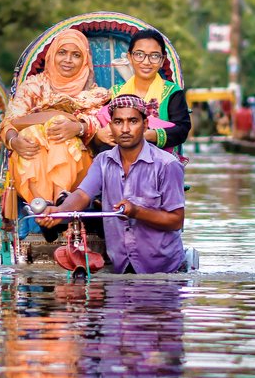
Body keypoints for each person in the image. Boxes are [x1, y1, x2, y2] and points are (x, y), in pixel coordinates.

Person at [37, 95, 187, 274]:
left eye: (133, 121)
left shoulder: (167, 165)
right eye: (118, 122)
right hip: (121, 266)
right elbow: (83, 194)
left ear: (145, 124)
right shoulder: (103, 161)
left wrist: (136, 211)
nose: (125, 129)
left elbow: (176, 220)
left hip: (163, 269)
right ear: (110, 126)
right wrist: (59, 212)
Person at [0, 29, 111, 203]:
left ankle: (60, 196)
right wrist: (14, 142)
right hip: (27, 159)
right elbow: (9, 123)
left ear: (84, 61)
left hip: (78, 169)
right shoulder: (33, 87)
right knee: (32, 134)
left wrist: (77, 127)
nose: (68, 60)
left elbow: (101, 126)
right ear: (52, 55)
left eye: (76, 55)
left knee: (58, 127)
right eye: (62, 53)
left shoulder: (94, 94)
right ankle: (42, 201)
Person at [95, 28, 190, 153]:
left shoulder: (172, 92)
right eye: (139, 55)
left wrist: (147, 135)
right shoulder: (115, 93)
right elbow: (101, 130)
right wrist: (99, 135)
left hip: (159, 162)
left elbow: (182, 130)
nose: (146, 62)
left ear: (162, 60)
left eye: (154, 56)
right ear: (129, 57)